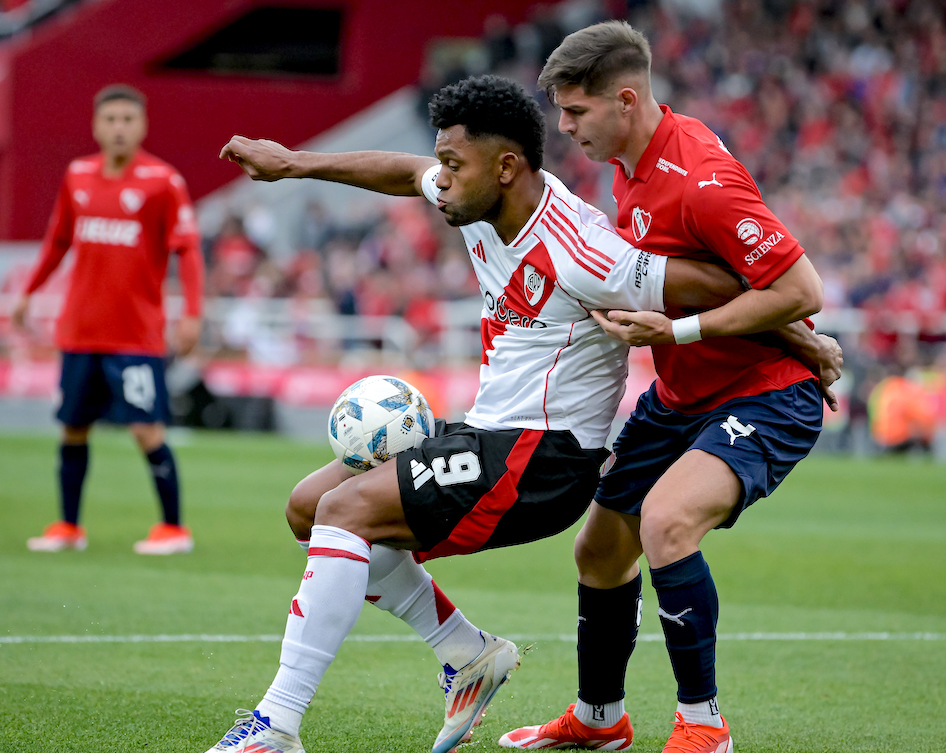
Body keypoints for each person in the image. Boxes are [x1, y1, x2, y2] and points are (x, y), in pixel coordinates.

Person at [208, 75, 840, 753]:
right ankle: (468, 652)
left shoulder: (586, 250)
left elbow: (723, 280)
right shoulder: (473, 198)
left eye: (453, 167)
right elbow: (404, 172)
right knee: (309, 504)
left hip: (540, 457)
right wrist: (296, 163)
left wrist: (801, 337)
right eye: (442, 164)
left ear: (506, 167)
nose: (439, 182)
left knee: (344, 514)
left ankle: (275, 726)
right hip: (487, 433)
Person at [500, 21, 835, 753]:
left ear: (625, 100)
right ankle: (598, 719)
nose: (564, 127)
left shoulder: (703, 180)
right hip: (684, 396)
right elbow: (723, 281)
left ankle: (704, 725)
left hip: (765, 393)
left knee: (666, 522)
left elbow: (801, 286)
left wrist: (679, 334)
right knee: (599, 549)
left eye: (576, 112)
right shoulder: (631, 165)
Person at [13, 84, 204, 556]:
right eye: (111, 119)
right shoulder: (76, 175)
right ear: (96, 125)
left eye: (128, 119)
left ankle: (173, 529)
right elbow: (57, 242)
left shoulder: (163, 181)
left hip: (135, 337)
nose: (119, 128)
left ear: (142, 125)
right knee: (73, 427)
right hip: (79, 331)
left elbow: (189, 251)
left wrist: (192, 313)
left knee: (146, 430)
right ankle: (68, 526)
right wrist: (28, 292)